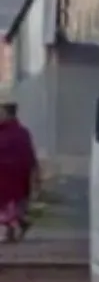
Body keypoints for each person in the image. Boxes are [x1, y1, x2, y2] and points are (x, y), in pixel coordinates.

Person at [0, 99, 39, 243]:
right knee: (9, 206)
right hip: (11, 174)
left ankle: (15, 228)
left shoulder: (19, 132)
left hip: (12, 175)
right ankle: (16, 228)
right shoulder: (21, 132)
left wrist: (34, 171)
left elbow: (27, 153)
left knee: (9, 205)